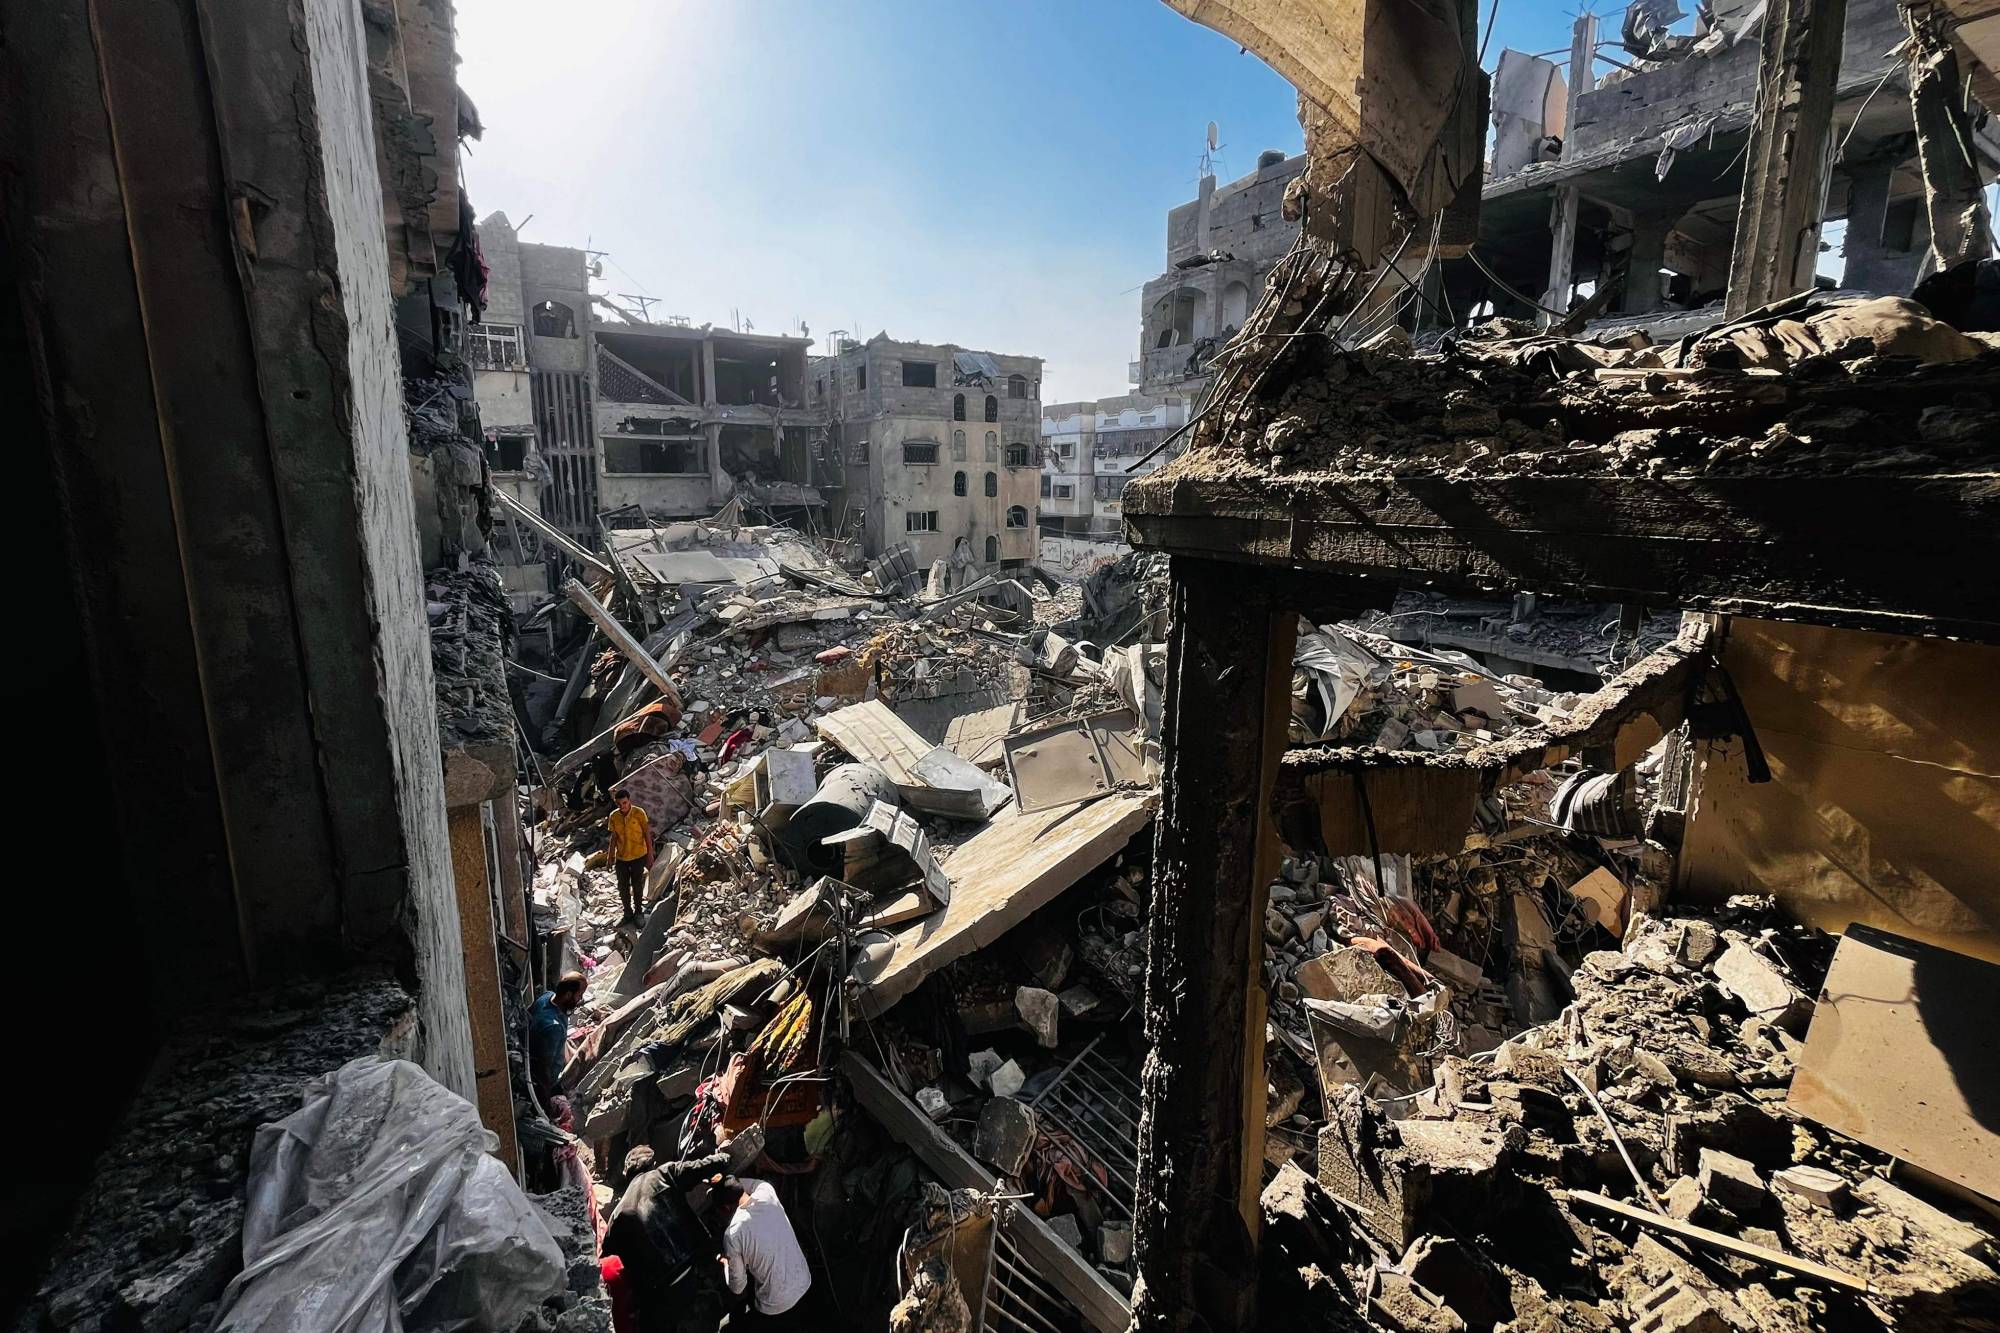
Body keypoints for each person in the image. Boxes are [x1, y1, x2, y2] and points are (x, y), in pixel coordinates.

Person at [600, 1147, 733, 1333]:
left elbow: (608, 1262)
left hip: (660, 1295)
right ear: (652, 1164)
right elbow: (701, 1167)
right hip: (696, 1269)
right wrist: (725, 1156)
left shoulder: (617, 1216)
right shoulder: (662, 1174)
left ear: (627, 1175)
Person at [716, 1176, 811, 1328]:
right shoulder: (766, 1191)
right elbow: (748, 1183)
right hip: (804, 1283)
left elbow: (738, 1287)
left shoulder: (733, 1234)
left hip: (775, 1307)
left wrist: (725, 1262)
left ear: (726, 1208)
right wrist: (725, 1181)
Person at [528, 972, 586, 1109]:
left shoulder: (546, 996)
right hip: (541, 1079)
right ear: (567, 995)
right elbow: (543, 1069)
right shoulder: (553, 1028)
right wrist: (545, 1102)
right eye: (579, 995)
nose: (581, 999)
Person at [608, 787, 653, 921]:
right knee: (622, 886)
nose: (622, 807)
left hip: (639, 855)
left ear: (629, 801)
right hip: (621, 856)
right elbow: (613, 837)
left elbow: (646, 834)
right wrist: (610, 857)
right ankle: (627, 912)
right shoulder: (614, 816)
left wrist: (650, 855)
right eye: (619, 804)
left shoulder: (639, 813)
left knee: (637, 885)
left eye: (624, 803)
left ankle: (638, 912)